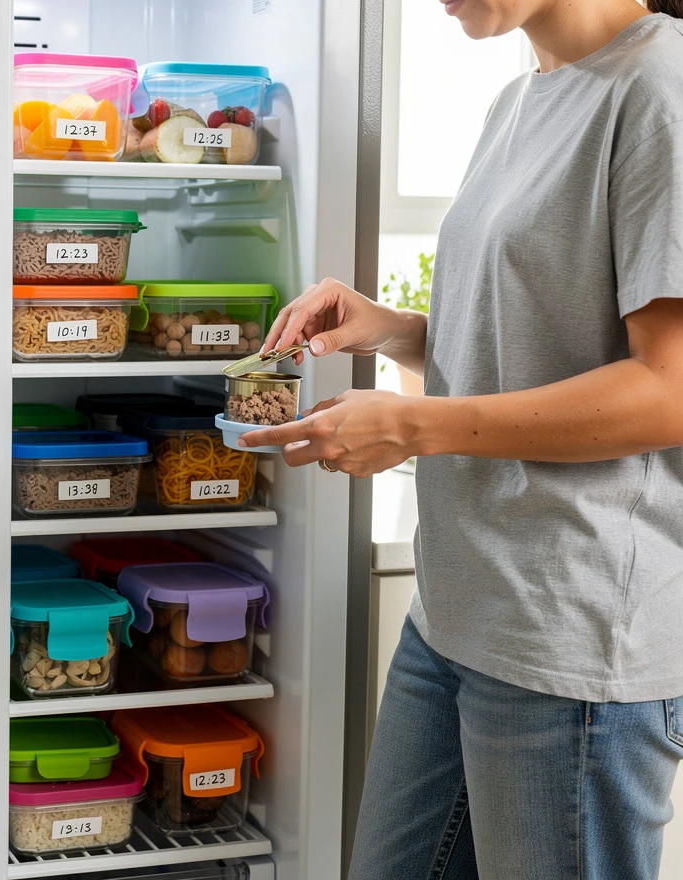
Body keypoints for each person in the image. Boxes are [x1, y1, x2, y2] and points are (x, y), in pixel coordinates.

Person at [240, 0, 683, 876]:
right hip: (455, 613)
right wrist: (392, 330)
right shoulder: (521, 99)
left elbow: (668, 389)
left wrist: (413, 425)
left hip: (569, 637)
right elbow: (537, 341)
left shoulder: (659, 91)